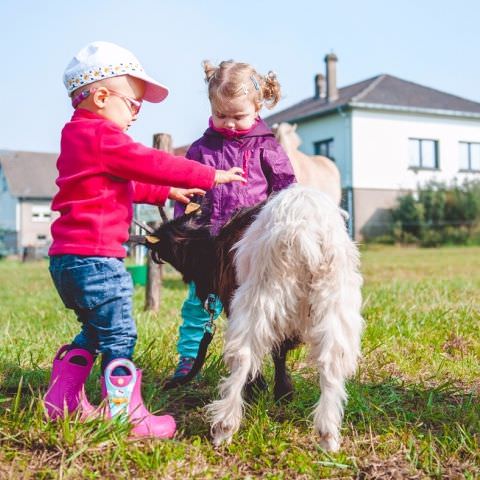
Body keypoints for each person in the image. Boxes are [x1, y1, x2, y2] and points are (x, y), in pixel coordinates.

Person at [44, 41, 246, 439]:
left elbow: (125, 181)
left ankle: (62, 397)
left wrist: (164, 194)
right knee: (120, 336)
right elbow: (151, 162)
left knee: (95, 330)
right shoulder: (103, 136)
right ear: (101, 97)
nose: (137, 112)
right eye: (133, 103)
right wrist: (209, 176)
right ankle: (125, 414)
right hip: (98, 262)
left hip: (68, 262)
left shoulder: (79, 138)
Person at [165, 60, 296, 387]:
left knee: (259, 307)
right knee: (199, 303)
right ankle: (189, 358)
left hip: (252, 246)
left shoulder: (267, 147)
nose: (230, 124)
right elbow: (187, 190)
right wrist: (186, 230)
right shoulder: (201, 149)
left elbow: (285, 189)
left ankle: (261, 364)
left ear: (257, 106)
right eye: (221, 115)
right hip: (210, 244)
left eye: (238, 116)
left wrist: (283, 228)